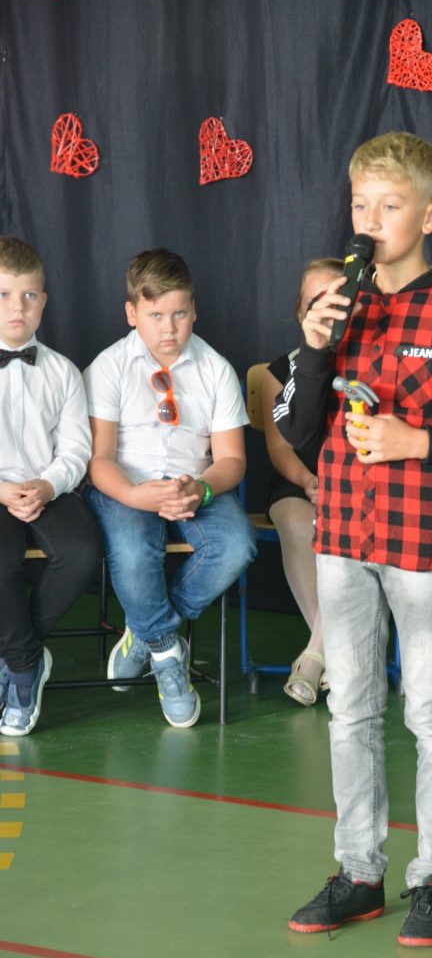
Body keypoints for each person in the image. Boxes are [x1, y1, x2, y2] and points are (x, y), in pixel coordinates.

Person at [274, 132, 432, 946]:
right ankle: (358, 873)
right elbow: (294, 429)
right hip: (342, 538)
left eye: (390, 205)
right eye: (360, 205)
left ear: (429, 216)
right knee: (349, 708)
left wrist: (418, 441)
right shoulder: (335, 307)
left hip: (423, 547)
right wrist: (314, 350)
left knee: (429, 709)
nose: (371, 220)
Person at [83, 248, 256, 728]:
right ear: (131, 313)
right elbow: (98, 459)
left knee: (236, 546)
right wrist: (134, 495)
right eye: (155, 315)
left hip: (194, 483)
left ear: (194, 310)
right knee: (134, 552)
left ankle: (146, 634)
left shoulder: (215, 369)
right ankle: (165, 651)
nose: (169, 328)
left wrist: (199, 489)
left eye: (179, 313)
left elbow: (232, 460)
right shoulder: (109, 367)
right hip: (126, 485)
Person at [0, 236, 102, 737]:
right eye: (3, 295)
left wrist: (46, 485)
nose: (17, 307)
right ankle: (24, 668)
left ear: (43, 301)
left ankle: (17, 652)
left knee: (82, 552)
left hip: (49, 487)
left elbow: (77, 450)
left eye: (28, 295)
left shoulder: (63, 372)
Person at [261, 258, 344, 706]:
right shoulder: (279, 372)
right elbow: (279, 449)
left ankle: (316, 658)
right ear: (300, 311)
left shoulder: (370, 364)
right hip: (300, 479)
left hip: (356, 486)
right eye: (316, 300)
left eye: (338, 298)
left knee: (345, 531)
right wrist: (309, 481)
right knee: (296, 520)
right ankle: (338, 654)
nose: (327, 308)